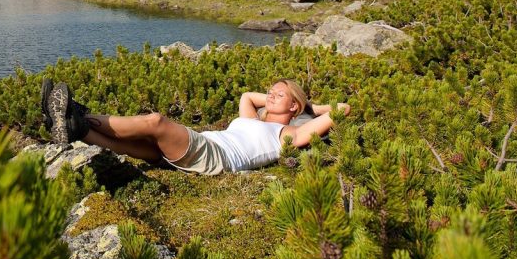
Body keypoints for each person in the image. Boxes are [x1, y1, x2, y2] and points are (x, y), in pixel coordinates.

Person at [42, 79, 350, 175]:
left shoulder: (286, 134)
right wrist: (280, 101)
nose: (269, 94)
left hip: (216, 157)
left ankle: (77, 114)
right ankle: (74, 128)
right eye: (270, 90)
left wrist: (311, 107)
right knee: (145, 146)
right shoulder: (251, 117)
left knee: (155, 122)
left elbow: (340, 111)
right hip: (198, 149)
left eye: (279, 94)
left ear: (294, 106)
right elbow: (247, 95)